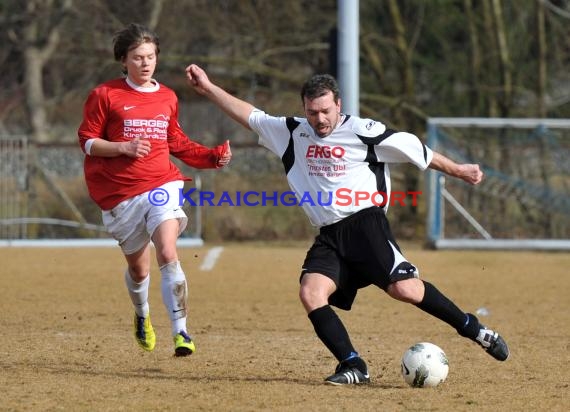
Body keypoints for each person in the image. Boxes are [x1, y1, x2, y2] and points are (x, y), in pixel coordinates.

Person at [185, 64, 509, 384]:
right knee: (311, 293)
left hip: (365, 224)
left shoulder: (363, 131)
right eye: (313, 112)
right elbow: (250, 115)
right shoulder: (291, 132)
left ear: (338, 105)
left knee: (404, 289)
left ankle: (475, 329)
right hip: (329, 234)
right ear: (304, 109)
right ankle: (353, 364)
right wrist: (209, 87)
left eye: (326, 110)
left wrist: (458, 170)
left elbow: (415, 149)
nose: (320, 119)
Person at [77, 24, 231, 357]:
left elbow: (175, 142)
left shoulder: (167, 97)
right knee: (139, 268)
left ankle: (181, 332)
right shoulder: (105, 95)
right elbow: (87, 141)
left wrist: (212, 157)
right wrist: (122, 148)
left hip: (162, 184)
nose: (145, 63)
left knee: (167, 251)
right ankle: (142, 314)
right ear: (123, 60)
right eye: (137, 57)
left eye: (150, 57)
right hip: (121, 195)